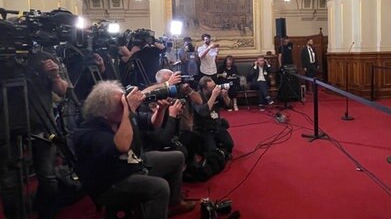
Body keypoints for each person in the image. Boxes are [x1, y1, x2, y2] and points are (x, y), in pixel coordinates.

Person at [72, 81, 195, 218]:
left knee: (176, 157)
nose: (124, 105)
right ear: (104, 112)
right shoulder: (88, 132)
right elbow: (122, 146)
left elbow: (153, 124)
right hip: (111, 182)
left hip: (130, 164)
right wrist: (128, 111)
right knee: (160, 187)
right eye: (121, 104)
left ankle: (174, 203)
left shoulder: (118, 116)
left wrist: (161, 110)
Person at [0, 51, 70, 219]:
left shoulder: (44, 57)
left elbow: (62, 91)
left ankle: (47, 213)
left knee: (48, 177)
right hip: (6, 127)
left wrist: (55, 76)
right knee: (9, 182)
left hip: (42, 125)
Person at [193, 76, 234, 156]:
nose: (214, 89)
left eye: (215, 86)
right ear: (204, 89)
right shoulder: (197, 97)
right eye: (212, 87)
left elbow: (229, 106)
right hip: (204, 128)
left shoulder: (215, 94)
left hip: (216, 125)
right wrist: (213, 96)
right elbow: (203, 112)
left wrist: (225, 96)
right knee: (211, 152)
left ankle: (220, 150)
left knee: (229, 145)